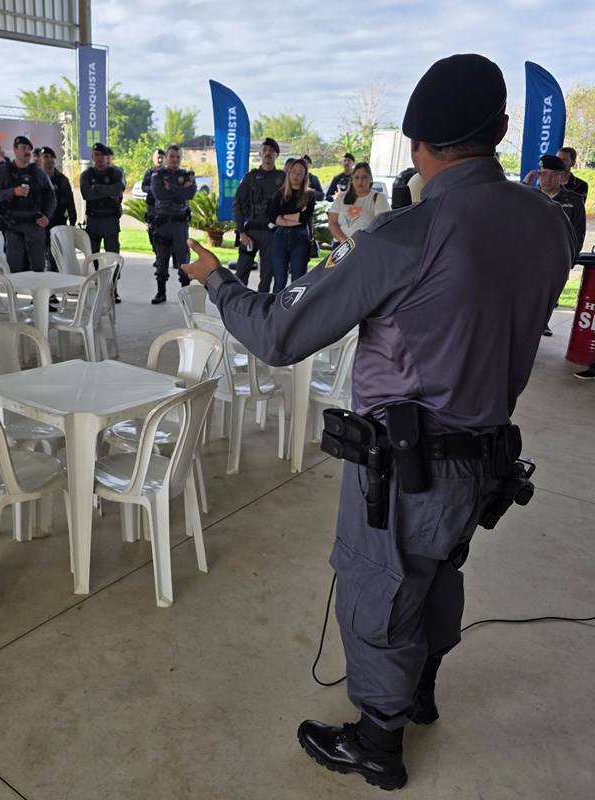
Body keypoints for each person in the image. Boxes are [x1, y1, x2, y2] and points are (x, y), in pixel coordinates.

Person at [181, 54, 574, 791]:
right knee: (438, 572)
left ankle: (378, 741)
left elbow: (280, 336)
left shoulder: (406, 236)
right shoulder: (548, 223)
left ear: (415, 143)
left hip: (408, 466)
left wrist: (217, 280)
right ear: (504, 129)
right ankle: (420, 689)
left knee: (380, 587)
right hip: (485, 457)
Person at [522, 154, 585, 336]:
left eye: (552, 174)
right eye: (543, 174)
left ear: (561, 175)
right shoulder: (529, 196)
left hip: (556, 258)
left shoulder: (573, 200)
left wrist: (570, 258)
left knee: (548, 295)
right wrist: (525, 184)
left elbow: (578, 232)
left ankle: (542, 322)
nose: (547, 179)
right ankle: (527, 324)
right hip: (529, 256)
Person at [0, 135, 56, 273]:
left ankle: (40, 294)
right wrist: (13, 191)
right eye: (23, 148)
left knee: (39, 267)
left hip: (35, 225)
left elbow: (51, 197)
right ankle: (14, 294)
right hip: (14, 225)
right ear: (15, 150)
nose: (27, 152)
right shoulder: (3, 171)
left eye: (29, 149)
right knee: (15, 269)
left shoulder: (38, 172)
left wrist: (47, 216)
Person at [232, 137, 285, 293]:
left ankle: (260, 311)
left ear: (277, 154)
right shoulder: (250, 177)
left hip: (271, 234)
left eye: (271, 150)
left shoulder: (283, 178)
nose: (268, 153)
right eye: (265, 149)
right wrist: (241, 231)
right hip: (250, 232)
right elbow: (237, 205)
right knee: (241, 274)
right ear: (260, 153)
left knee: (267, 276)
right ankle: (238, 308)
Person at [148, 145, 197, 304]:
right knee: (161, 260)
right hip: (163, 224)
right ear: (167, 158)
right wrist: (180, 190)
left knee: (183, 261)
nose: (175, 160)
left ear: (181, 158)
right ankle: (160, 293)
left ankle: (185, 294)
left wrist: (172, 187)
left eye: (177, 157)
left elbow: (190, 194)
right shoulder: (158, 175)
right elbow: (159, 194)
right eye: (172, 157)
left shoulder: (186, 175)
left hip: (180, 225)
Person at [267, 157, 315, 293]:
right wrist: (294, 217)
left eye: (300, 172)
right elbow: (272, 217)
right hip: (280, 237)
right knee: (279, 281)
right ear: (288, 173)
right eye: (293, 171)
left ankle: (295, 313)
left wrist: (283, 217)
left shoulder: (309, 195)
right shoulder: (279, 194)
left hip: (300, 238)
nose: (296, 175)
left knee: (298, 281)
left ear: (305, 175)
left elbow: (303, 218)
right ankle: (275, 313)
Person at [328, 162, 390, 245]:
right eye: (357, 177)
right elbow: (332, 222)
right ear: (352, 179)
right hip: (341, 245)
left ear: (370, 179)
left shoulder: (378, 197)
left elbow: (382, 225)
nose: (360, 181)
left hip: (365, 245)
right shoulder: (341, 197)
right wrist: (345, 242)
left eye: (364, 177)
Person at [80, 142, 125, 255]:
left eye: (102, 155)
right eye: (97, 154)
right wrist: (108, 191)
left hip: (110, 220)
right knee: (92, 257)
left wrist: (97, 187)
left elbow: (117, 190)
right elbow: (87, 195)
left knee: (112, 257)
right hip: (93, 220)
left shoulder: (115, 173)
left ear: (107, 157)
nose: (100, 158)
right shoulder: (86, 175)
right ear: (92, 156)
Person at [39, 146, 77, 269]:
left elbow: (70, 201)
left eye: (51, 157)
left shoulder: (62, 180)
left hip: (58, 221)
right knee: (42, 253)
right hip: (42, 222)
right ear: (40, 159)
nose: (49, 160)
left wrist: (73, 220)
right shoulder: (38, 178)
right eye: (46, 157)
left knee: (56, 254)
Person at [142, 148, 165, 252]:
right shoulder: (149, 173)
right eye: (157, 158)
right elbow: (144, 187)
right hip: (152, 207)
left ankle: (174, 258)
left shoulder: (168, 173)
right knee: (153, 232)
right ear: (153, 159)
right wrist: (154, 190)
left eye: (161, 158)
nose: (159, 160)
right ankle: (157, 255)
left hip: (165, 207)